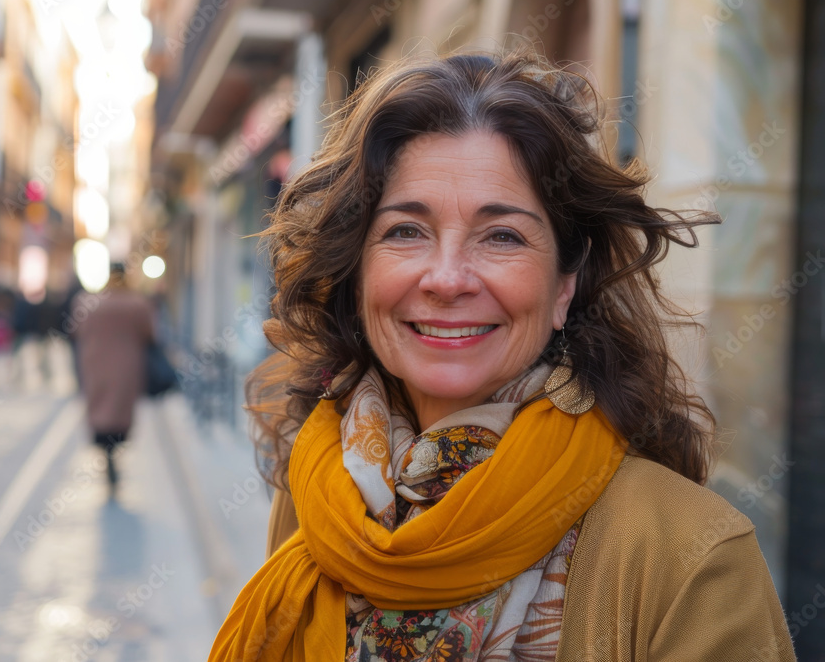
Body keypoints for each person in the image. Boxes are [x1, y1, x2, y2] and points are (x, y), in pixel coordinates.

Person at [210, 51, 795, 661]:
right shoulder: (317, 493)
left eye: (502, 236)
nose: (447, 278)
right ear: (358, 272)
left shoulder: (694, 560)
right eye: (406, 230)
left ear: (565, 284)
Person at [73, 263, 153, 493]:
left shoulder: (87, 302)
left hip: (95, 364)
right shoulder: (137, 303)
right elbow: (149, 333)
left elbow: (78, 331)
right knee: (119, 409)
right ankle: (114, 451)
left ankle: (105, 451)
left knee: (99, 407)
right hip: (126, 365)